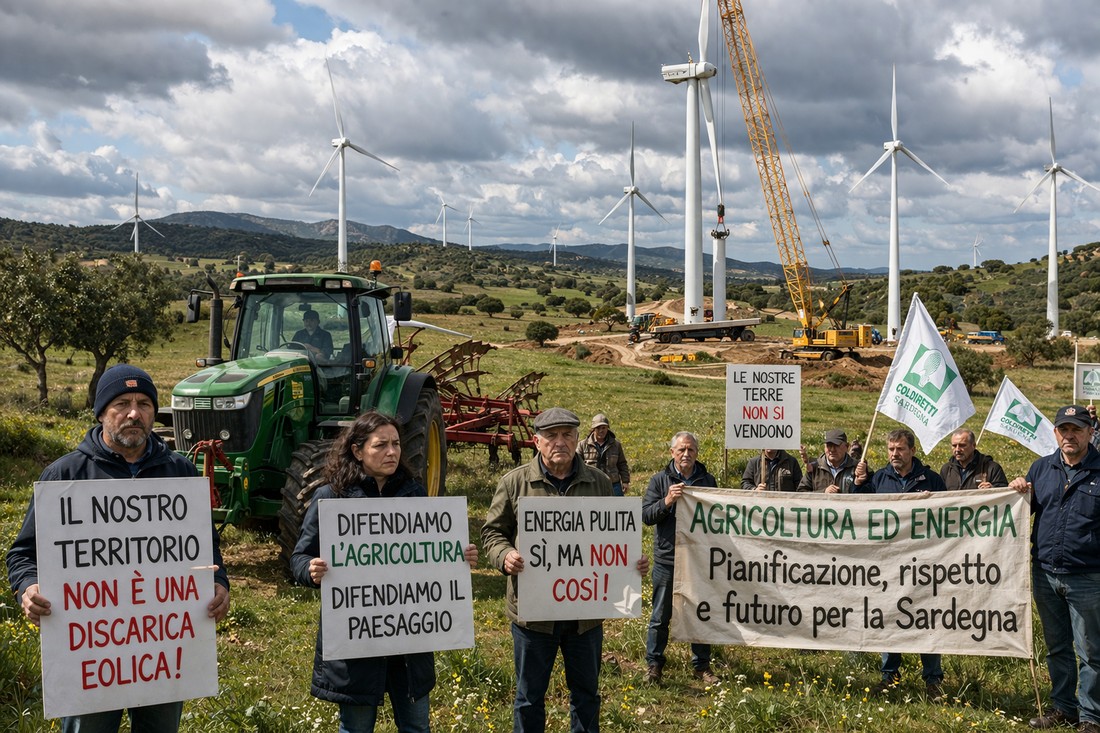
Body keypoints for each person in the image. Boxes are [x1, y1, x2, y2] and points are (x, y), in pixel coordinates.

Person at [5, 364, 230, 733]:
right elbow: (22, 554)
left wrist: (219, 580)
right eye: (122, 403)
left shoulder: (181, 475)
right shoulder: (64, 477)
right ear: (101, 412)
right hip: (90, 656)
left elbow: (205, 546)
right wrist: (27, 587)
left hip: (161, 648)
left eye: (144, 403)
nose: (133, 413)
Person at [291, 410, 477, 733]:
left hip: (409, 644)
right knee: (357, 728)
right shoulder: (331, 498)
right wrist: (310, 569)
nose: (392, 452)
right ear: (357, 450)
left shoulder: (416, 495)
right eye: (381, 445)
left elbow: (430, 555)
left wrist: (455, 558)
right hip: (356, 645)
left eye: (396, 444)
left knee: (417, 727)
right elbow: (299, 557)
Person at [481, 407, 649, 733]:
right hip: (533, 617)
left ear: (577, 439)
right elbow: (492, 533)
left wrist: (631, 563)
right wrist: (505, 556)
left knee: (586, 696)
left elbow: (613, 537)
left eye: (568, 435)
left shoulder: (599, 483)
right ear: (536, 441)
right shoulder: (515, 483)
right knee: (529, 697)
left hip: (584, 617)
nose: (561, 442)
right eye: (552, 436)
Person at [1009, 405, 1100, 731]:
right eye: (1064, 429)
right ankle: (1064, 708)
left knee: (1091, 652)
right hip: (1045, 573)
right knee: (1058, 647)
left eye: (1076, 429)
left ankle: (1091, 716)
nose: (1069, 435)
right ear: (1055, 433)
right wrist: (1015, 491)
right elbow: (1022, 512)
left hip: (1088, 577)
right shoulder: (1041, 468)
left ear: (1090, 431)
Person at [853, 427, 946, 697]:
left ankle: (933, 680)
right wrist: (858, 485)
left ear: (912, 451)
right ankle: (889, 675)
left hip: (923, 564)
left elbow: (949, 515)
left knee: (926, 621)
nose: (895, 454)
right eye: (891, 449)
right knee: (889, 618)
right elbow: (857, 512)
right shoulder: (879, 478)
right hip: (888, 564)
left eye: (900, 449)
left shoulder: (932, 479)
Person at [641, 431, 719, 685]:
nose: (686, 454)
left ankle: (701, 666)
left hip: (698, 559)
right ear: (672, 453)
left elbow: (718, 516)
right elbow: (646, 515)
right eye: (681, 450)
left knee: (700, 612)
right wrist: (667, 501)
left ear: (697, 453)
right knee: (660, 615)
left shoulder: (707, 481)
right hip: (667, 558)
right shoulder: (659, 481)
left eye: (691, 450)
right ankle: (654, 664)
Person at [577, 412, 631, 496]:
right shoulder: (582, 445)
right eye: (598, 428)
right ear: (593, 429)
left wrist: (625, 481)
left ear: (607, 428)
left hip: (613, 484)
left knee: (618, 508)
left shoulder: (616, 445)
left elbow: (622, 464)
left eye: (604, 428)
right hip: (591, 484)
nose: (601, 431)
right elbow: (576, 465)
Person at [940, 428, 1008, 490]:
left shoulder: (991, 468)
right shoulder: (946, 469)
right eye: (954, 446)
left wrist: (992, 489)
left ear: (973, 446)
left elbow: (1005, 495)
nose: (957, 449)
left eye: (962, 445)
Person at [797, 429, 862, 493]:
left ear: (847, 447)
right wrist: (823, 492)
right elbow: (801, 493)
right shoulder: (814, 468)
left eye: (836, 445)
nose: (832, 449)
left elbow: (869, 494)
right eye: (829, 445)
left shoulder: (858, 468)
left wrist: (859, 482)